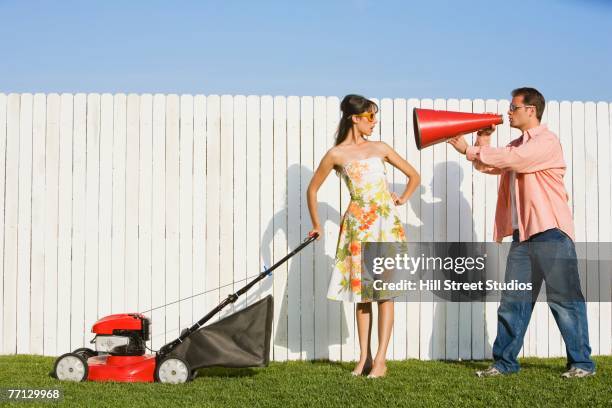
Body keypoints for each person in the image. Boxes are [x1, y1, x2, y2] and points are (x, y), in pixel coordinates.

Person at [448, 87, 596, 378]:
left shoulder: (545, 142)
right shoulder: (516, 145)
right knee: (513, 302)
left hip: (551, 231)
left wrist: (471, 149)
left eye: (513, 107)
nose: (509, 111)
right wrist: (483, 138)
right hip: (523, 236)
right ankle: (504, 364)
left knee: (565, 300)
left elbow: (512, 160)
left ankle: (582, 364)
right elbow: (490, 165)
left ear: (531, 110)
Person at [306, 94, 420, 378]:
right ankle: (364, 358)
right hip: (357, 224)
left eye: (374, 116)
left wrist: (402, 198)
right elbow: (312, 190)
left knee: (386, 293)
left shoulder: (380, 148)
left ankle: (380, 360)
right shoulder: (336, 155)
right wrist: (317, 224)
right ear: (354, 118)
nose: (374, 122)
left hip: (385, 223)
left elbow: (413, 175)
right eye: (370, 116)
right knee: (362, 295)